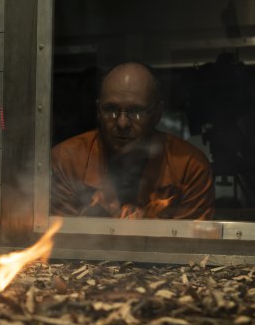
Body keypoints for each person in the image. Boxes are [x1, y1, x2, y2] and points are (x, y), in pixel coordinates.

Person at [51, 62, 215, 219]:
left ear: (157, 114)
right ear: (98, 111)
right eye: (111, 110)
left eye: (136, 112)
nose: (122, 123)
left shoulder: (189, 168)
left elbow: (192, 245)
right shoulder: (67, 161)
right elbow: (60, 240)